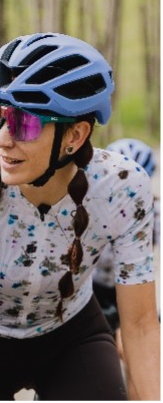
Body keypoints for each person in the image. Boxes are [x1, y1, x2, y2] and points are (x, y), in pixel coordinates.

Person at [0, 33, 160, 400]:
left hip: (70, 336)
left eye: (24, 124)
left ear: (75, 134)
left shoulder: (123, 188)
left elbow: (139, 325)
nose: (3, 139)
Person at [92, 137, 160, 399]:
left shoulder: (155, 211)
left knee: (136, 353)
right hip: (95, 287)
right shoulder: (93, 205)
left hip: (132, 288)